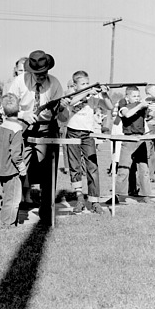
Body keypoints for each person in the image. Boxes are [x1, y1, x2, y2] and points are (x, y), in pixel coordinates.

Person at [8, 50, 66, 225]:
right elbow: (7, 107)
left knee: (48, 174)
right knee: (15, 170)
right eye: (38, 73)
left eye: (45, 72)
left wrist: (62, 109)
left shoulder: (55, 83)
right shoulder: (19, 82)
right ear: (31, 70)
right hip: (22, 128)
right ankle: (10, 213)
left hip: (47, 130)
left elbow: (62, 117)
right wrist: (23, 114)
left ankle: (46, 215)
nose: (42, 76)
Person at [64, 71, 112, 214]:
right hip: (72, 131)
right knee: (75, 166)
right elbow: (71, 102)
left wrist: (104, 94)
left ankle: (94, 201)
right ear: (75, 85)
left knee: (92, 167)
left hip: (87, 133)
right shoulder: (70, 93)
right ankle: (79, 197)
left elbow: (109, 106)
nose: (86, 86)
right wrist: (87, 92)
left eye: (87, 83)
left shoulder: (94, 96)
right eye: (83, 84)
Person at [114, 85, 152, 203]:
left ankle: (145, 195)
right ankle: (119, 195)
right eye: (134, 96)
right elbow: (127, 114)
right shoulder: (123, 106)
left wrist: (151, 105)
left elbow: (151, 116)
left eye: (138, 96)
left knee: (144, 169)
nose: (136, 98)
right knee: (124, 168)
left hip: (141, 139)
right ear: (127, 97)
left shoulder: (141, 107)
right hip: (129, 139)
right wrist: (140, 105)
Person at [0, 94, 27, 228]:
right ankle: (7, 224)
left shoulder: (1, 127)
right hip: (12, 170)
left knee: (6, 197)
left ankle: (5, 222)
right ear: (19, 108)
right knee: (13, 199)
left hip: (2, 168)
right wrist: (21, 167)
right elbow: (15, 153)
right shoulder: (17, 129)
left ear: (2, 110)